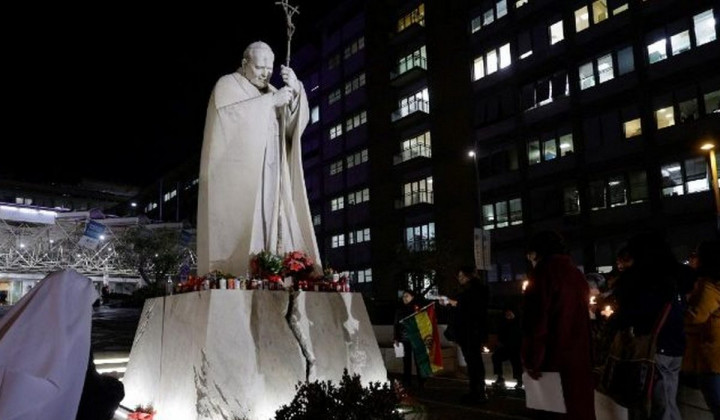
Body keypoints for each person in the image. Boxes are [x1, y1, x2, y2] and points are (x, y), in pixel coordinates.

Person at [197, 41, 320, 278]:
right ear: (245, 64)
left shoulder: (274, 91)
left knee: (276, 215)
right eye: (259, 67)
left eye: (269, 69)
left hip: (274, 166)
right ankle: (245, 268)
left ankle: (275, 263)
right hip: (244, 170)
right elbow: (225, 120)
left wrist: (295, 91)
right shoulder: (227, 84)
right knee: (252, 218)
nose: (265, 73)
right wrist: (269, 104)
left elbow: (293, 128)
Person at [522, 230, 595, 419]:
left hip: (552, 358)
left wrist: (532, 361)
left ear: (536, 252)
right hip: (579, 358)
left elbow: (537, 323)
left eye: (529, 254)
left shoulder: (542, 275)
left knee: (552, 409)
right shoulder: (576, 274)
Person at [612, 232, 686, 420]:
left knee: (654, 404)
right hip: (674, 346)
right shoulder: (672, 277)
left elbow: (634, 314)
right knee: (668, 400)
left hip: (652, 349)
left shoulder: (644, 280)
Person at [683, 240, 720, 418]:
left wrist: (682, 314)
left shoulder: (708, 285)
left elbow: (696, 317)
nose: (693, 259)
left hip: (711, 353)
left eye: (697, 255)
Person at [444, 266, 489, 404]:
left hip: (470, 332)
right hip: (469, 332)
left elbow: (468, 309)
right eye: (459, 276)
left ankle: (478, 393)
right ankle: (476, 391)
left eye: (462, 276)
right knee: (473, 363)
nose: (460, 279)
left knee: (474, 363)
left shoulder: (473, 290)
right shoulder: (475, 289)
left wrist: (452, 303)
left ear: (469, 276)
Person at [394, 289, 428, 388]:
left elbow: (424, 322)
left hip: (417, 338)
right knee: (406, 361)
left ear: (412, 297)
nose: (405, 298)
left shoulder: (417, 308)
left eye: (407, 296)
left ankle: (422, 381)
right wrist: (396, 337)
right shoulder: (399, 310)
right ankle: (407, 381)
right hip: (404, 339)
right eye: (404, 296)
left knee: (419, 361)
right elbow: (396, 324)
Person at [491, 303, 523, 390]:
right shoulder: (504, 323)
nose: (508, 315)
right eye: (507, 314)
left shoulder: (518, 322)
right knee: (496, 356)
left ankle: (519, 380)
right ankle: (500, 377)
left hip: (516, 347)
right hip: (506, 347)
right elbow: (501, 336)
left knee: (515, 358)